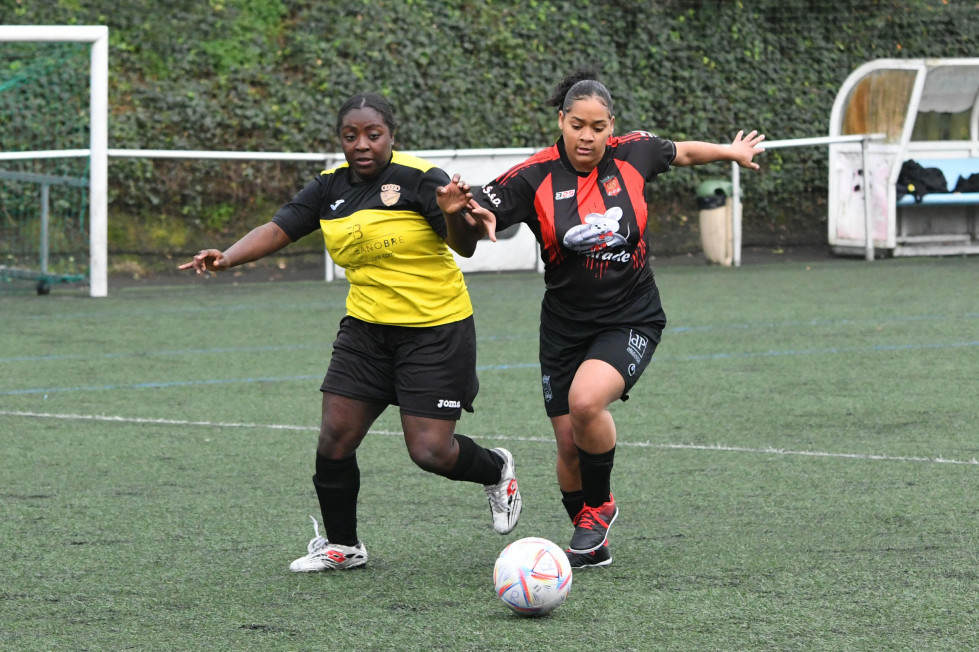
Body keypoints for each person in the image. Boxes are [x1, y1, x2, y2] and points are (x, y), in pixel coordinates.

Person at [436, 70, 765, 569]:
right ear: (561, 122)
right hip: (564, 327)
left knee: (586, 402)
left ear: (612, 126)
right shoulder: (532, 176)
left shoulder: (635, 153)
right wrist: (456, 213)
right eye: (576, 125)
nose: (586, 136)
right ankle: (588, 535)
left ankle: (601, 507)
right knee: (569, 446)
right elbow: (465, 239)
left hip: (631, 316)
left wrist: (731, 152)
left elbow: (685, 152)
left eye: (597, 126)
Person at [180, 92, 522, 572]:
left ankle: (496, 468)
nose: (361, 144)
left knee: (429, 451)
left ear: (391, 136)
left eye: (372, 134)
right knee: (335, 438)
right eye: (350, 135)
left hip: (435, 330)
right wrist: (227, 257)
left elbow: (463, 247)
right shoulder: (328, 188)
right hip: (366, 331)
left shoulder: (422, 180)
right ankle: (344, 546)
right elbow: (281, 228)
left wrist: (449, 211)